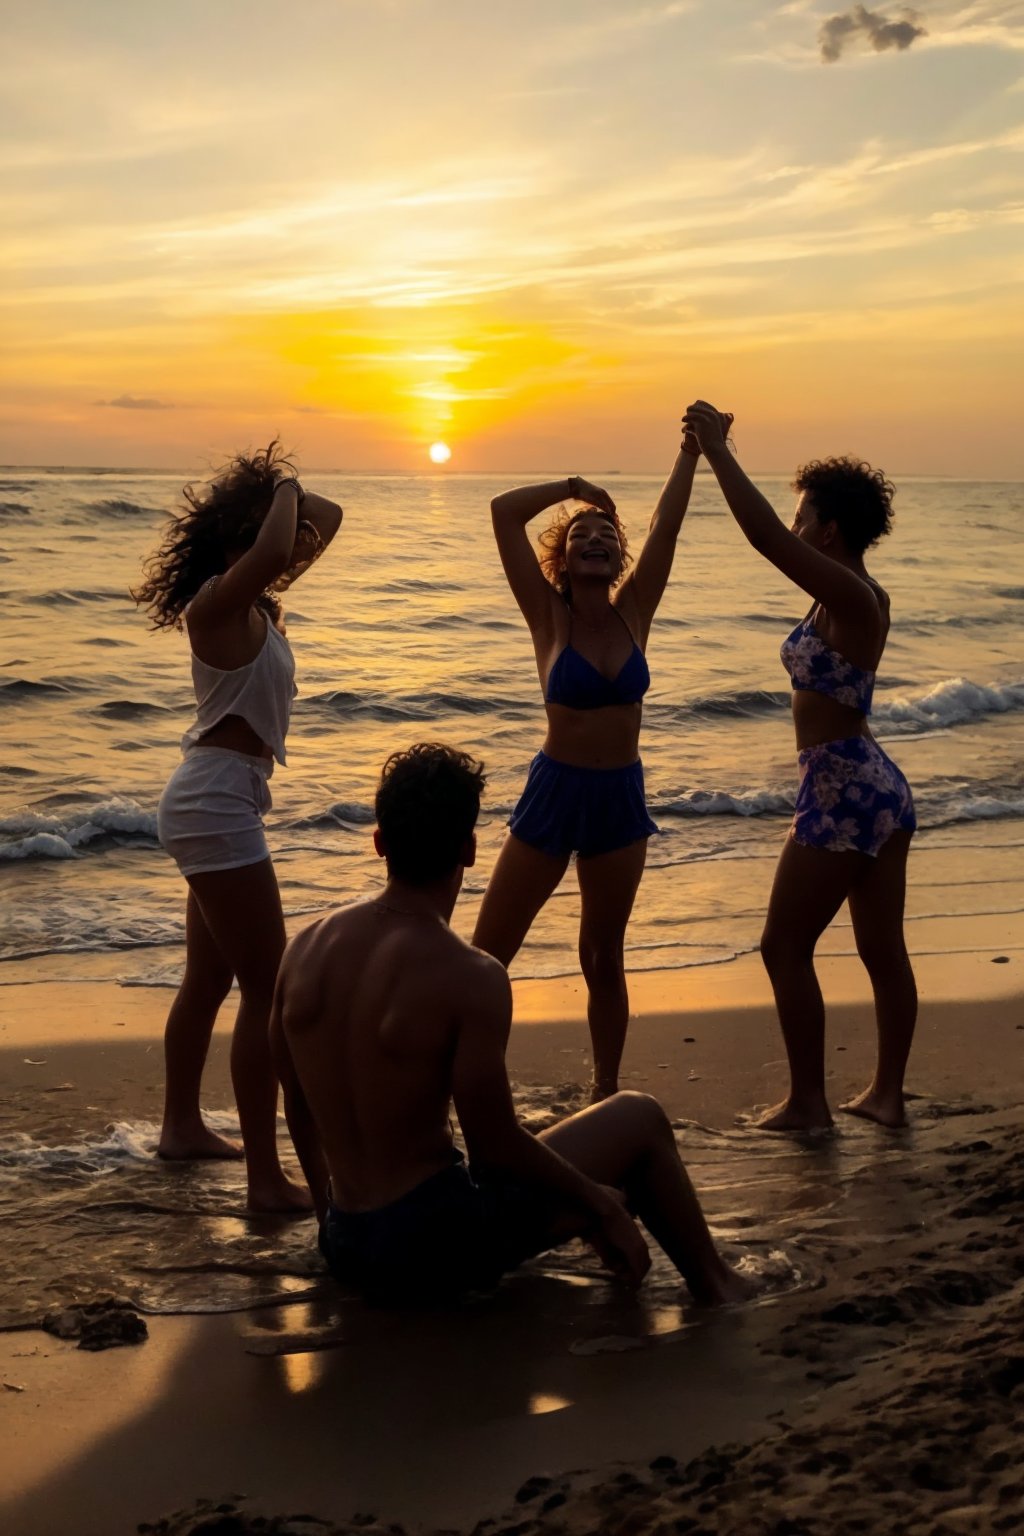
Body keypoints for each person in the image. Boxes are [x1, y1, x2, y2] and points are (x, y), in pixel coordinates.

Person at [271, 742, 751, 1308]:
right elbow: (493, 1145)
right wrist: (598, 1201)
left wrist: (333, 1228)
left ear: (379, 842)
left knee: (557, 1167)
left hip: (347, 1239)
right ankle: (717, 1285)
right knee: (638, 1117)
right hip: (434, 1246)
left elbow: (299, 1109)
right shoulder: (470, 974)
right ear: (471, 849)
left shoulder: (303, 949)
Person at [683, 401, 917, 1131]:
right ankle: (884, 1098)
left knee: (784, 946)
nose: (792, 529)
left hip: (845, 788)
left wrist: (718, 450)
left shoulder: (854, 596)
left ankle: (811, 1103)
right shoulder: (833, 598)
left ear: (828, 529)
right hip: (865, 784)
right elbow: (772, 540)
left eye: (801, 516)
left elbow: (759, 537)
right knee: (879, 948)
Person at [471, 439, 718, 1102]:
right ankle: (461, 1082)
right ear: (563, 557)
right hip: (555, 792)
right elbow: (501, 512)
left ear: (619, 556)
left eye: (608, 532)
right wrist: (575, 486)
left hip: (619, 799)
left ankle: (605, 1090)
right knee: (487, 958)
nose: (598, 538)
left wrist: (693, 453)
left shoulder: (635, 610)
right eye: (583, 533)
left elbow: (667, 523)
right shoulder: (547, 615)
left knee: (603, 958)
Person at [133, 441, 343, 1210]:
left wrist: (282, 492)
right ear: (239, 538)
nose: (280, 552)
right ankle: (264, 1178)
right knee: (267, 990)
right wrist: (279, 482)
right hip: (215, 802)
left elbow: (328, 520)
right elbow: (283, 540)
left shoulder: (255, 605)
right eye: (258, 532)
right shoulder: (216, 604)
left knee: (210, 977)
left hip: (222, 799)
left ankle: (181, 1127)